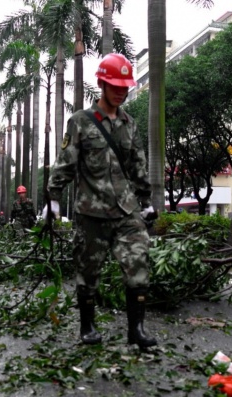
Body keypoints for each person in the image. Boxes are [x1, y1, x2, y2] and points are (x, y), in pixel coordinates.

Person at [44, 53, 157, 349]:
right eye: (115, 85)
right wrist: (53, 197)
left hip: (126, 210)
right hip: (91, 211)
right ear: (101, 84)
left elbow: (137, 164)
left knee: (138, 264)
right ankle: (88, 326)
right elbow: (67, 162)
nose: (121, 91)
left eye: (125, 86)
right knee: (88, 273)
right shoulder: (80, 121)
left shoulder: (129, 124)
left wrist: (146, 200)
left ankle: (137, 329)